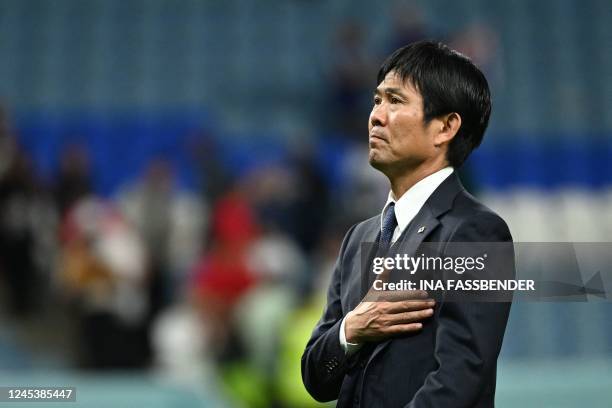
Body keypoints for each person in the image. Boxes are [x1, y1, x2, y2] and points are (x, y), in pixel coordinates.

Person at [301, 41, 513, 407]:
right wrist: (352, 329)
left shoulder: (478, 234)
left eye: (395, 101)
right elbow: (316, 378)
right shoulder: (358, 239)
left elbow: (460, 380)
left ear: (445, 127)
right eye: (376, 100)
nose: (376, 116)